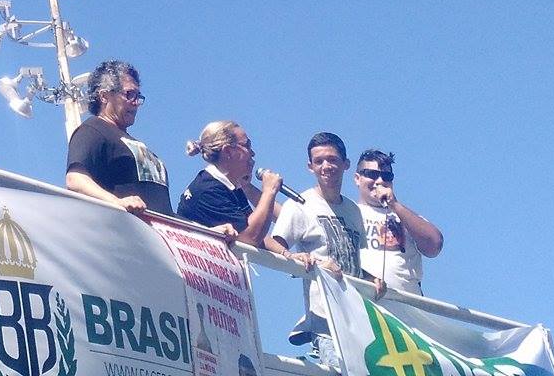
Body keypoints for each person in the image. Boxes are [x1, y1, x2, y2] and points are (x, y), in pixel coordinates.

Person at [264, 132, 369, 345]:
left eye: (332, 159)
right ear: (310, 166)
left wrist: (372, 279)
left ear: (346, 164)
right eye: (319, 161)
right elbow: (272, 242)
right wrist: (295, 256)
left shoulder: (354, 210)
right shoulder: (300, 204)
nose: (326, 166)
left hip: (357, 318)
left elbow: (353, 262)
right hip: (325, 320)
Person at [64, 60, 170, 214]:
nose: (135, 103)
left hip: (157, 233)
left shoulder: (134, 142)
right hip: (122, 230)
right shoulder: (92, 130)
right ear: (104, 96)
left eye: (138, 96)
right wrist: (117, 202)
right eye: (129, 94)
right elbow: (75, 180)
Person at [177, 121, 284, 244]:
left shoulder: (229, 186)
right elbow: (251, 236)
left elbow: (252, 227)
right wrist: (269, 192)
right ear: (228, 151)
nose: (252, 153)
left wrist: (287, 254)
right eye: (247, 145)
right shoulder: (209, 190)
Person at [354, 149, 444, 295]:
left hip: (406, 309)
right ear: (357, 178)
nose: (380, 181)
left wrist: (395, 205)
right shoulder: (348, 213)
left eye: (386, 176)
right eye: (372, 174)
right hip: (364, 305)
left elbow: (434, 245)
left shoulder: (405, 216)